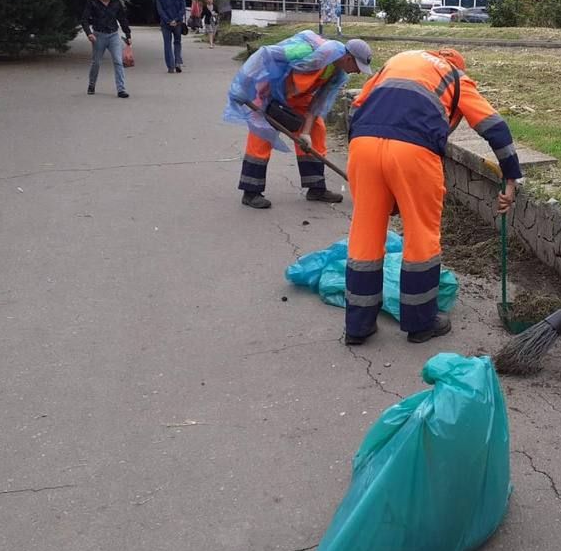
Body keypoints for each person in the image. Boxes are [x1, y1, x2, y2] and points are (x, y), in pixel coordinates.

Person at [343, 48, 522, 346]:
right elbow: (495, 127)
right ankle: (420, 323)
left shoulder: (398, 61)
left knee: (364, 234)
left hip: (362, 145)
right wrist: (511, 177)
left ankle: (357, 326)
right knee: (421, 236)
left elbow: (356, 107)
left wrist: (370, 166)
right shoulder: (456, 77)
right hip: (414, 151)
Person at [224, 31, 372, 209]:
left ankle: (315, 187)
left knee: (317, 131)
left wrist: (306, 133)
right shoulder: (306, 50)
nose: (357, 71)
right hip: (270, 93)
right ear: (348, 58)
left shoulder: (337, 74)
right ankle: (251, 191)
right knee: (261, 136)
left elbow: (318, 104)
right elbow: (265, 55)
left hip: (299, 99)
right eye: (358, 66)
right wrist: (243, 87)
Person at [81, 0, 131, 98]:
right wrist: (89, 33)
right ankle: (92, 84)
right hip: (98, 36)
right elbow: (84, 19)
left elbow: (123, 19)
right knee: (96, 62)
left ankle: (121, 89)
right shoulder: (92, 2)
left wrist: (128, 35)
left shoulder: (116, 3)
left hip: (113, 35)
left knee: (118, 62)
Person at [156, 0, 186, 73]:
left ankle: (170, 66)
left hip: (165, 24)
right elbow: (183, 9)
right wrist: (176, 20)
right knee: (177, 42)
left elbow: (160, 11)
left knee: (167, 44)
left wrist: (168, 21)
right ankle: (178, 62)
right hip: (178, 23)